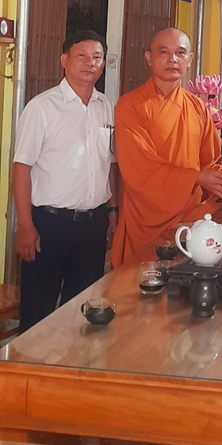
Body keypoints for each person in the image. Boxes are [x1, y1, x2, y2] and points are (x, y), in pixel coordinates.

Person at [12, 30, 118, 334]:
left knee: (82, 311)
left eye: (96, 57)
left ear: (103, 64)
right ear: (64, 60)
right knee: (38, 311)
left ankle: (73, 365)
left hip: (93, 226)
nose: (89, 63)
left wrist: (112, 212)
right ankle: (29, 364)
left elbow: (110, 164)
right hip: (49, 225)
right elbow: (21, 169)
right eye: (81, 56)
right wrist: (25, 225)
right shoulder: (42, 107)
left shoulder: (106, 107)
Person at [111, 27, 222, 266]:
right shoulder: (130, 105)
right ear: (149, 58)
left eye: (180, 53)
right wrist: (196, 177)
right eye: (163, 52)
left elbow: (212, 161)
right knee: (139, 285)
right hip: (145, 219)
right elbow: (140, 169)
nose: (172, 59)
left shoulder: (197, 108)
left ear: (190, 60)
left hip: (190, 221)